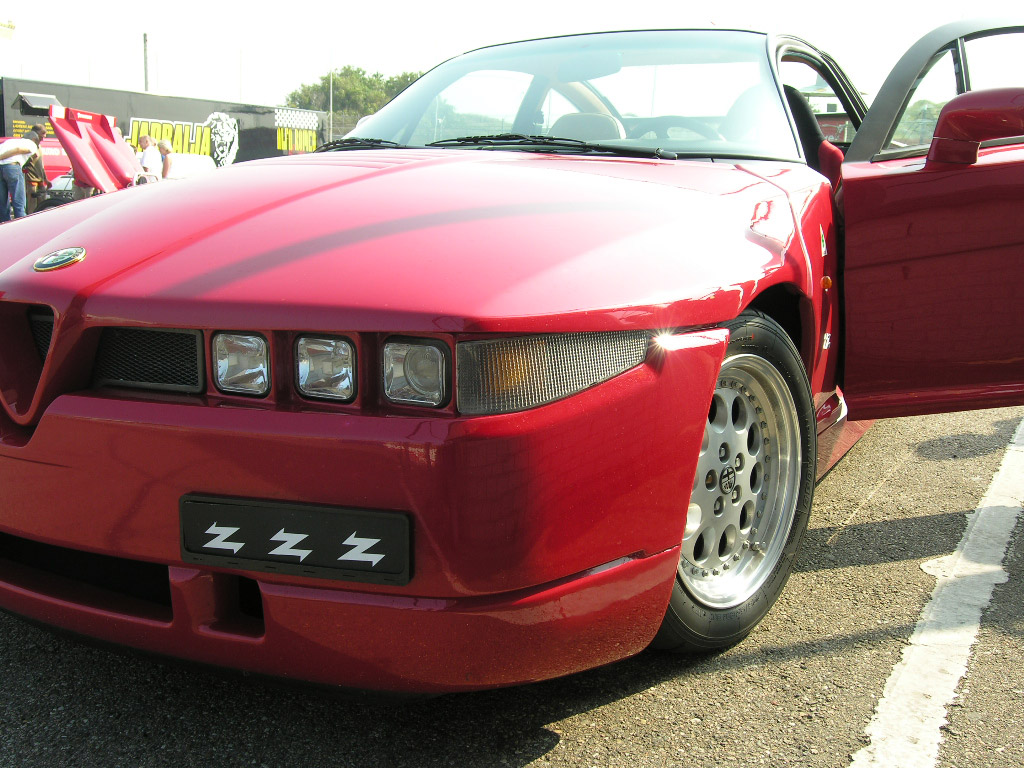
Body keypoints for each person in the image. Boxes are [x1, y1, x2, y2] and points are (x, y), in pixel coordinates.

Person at [0, 134, 37, 222]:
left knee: (2, 202)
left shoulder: (9, 141)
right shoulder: (31, 143)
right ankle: (21, 224)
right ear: (33, 138)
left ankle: (4, 225)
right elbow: (18, 150)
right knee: (18, 200)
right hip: (12, 167)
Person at [22, 126, 51, 214]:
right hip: (31, 180)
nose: (44, 137)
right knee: (32, 206)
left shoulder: (39, 147)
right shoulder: (27, 147)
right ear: (35, 134)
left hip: (41, 181)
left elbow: (40, 165)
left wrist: (46, 179)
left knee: (42, 205)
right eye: (42, 134)